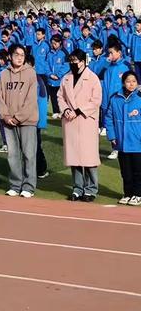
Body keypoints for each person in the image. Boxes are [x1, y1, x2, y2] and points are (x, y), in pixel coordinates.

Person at [57, 49, 102, 202]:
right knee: (74, 157)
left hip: (85, 120)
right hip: (70, 121)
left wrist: (78, 111)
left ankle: (90, 189)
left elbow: (96, 100)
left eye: (75, 61)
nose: (73, 64)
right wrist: (66, 109)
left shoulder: (93, 78)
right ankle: (77, 188)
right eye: (71, 61)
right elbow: (60, 96)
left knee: (88, 158)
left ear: (83, 62)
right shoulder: (66, 78)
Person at [0, 44, 38, 198]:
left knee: (28, 154)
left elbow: (31, 100)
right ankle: (15, 184)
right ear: (10, 56)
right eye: (16, 55)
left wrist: (18, 117)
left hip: (27, 121)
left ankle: (28, 186)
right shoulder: (3, 75)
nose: (20, 58)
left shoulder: (31, 73)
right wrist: (6, 116)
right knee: (12, 155)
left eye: (22, 55)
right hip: (8, 121)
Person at [106, 71, 141, 205]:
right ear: (123, 83)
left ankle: (138, 194)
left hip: (137, 142)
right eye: (128, 81)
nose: (131, 84)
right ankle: (127, 193)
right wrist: (112, 136)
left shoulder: (139, 98)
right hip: (121, 142)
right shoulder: (115, 99)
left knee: (138, 171)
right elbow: (108, 118)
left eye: (134, 81)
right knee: (126, 171)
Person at [101, 41, 131, 159]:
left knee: (123, 124)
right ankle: (115, 148)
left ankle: (126, 147)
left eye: (111, 53)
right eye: (108, 53)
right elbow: (96, 71)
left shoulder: (126, 65)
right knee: (111, 125)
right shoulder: (107, 65)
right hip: (108, 101)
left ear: (119, 53)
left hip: (122, 101)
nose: (109, 56)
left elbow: (131, 83)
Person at [46, 35, 69, 118]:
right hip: (51, 80)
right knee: (53, 97)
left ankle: (62, 111)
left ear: (60, 43)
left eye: (55, 43)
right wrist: (50, 74)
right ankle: (55, 111)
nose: (53, 45)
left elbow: (66, 65)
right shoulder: (49, 53)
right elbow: (46, 65)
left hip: (60, 80)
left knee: (62, 97)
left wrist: (58, 75)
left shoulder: (64, 52)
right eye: (52, 43)